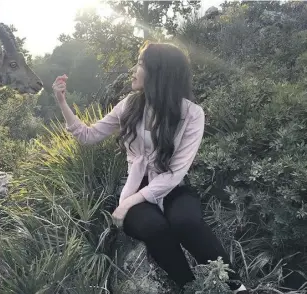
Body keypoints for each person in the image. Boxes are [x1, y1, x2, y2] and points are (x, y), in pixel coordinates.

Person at [52, 41, 249, 293]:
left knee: (186, 221)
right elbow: (88, 135)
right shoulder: (130, 105)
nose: (134, 70)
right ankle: (190, 287)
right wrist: (61, 102)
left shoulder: (191, 114)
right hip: (136, 186)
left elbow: (175, 173)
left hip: (172, 187)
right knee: (154, 227)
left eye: (141, 64)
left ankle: (236, 287)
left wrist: (126, 204)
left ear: (159, 72)